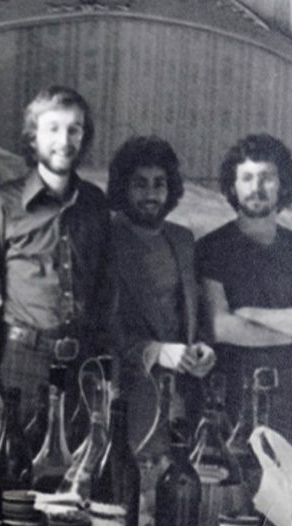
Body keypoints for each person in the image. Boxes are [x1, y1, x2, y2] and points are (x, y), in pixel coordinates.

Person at [0, 85, 111, 428]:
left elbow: (107, 289)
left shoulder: (95, 203)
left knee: (78, 474)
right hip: (21, 359)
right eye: (53, 129)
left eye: (74, 129)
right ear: (33, 138)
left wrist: (107, 367)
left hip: (84, 363)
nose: (64, 140)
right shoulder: (3, 203)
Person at [196, 133, 292, 442]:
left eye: (267, 178)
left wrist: (250, 313)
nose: (256, 188)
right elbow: (222, 327)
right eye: (247, 178)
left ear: (282, 185)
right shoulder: (212, 248)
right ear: (233, 186)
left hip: (287, 400)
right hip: (226, 396)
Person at [104, 135, 215, 448]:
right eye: (140, 184)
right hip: (129, 393)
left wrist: (204, 348)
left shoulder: (182, 239)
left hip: (183, 396)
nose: (151, 194)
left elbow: (197, 314)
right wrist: (158, 351)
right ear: (123, 188)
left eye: (159, 183)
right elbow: (102, 330)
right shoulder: (107, 240)